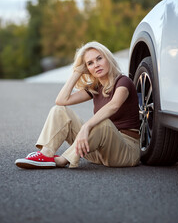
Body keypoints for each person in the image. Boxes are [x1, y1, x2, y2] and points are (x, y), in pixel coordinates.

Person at [15, 41, 140, 169]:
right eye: (90, 63)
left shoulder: (123, 81)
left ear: (108, 58)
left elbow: (114, 105)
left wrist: (86, 126)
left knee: (103, 123)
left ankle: (63, 160)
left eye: (99, 59)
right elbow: (61, 100)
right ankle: (46, 154)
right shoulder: (96, 87)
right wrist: (77, 72)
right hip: (99, 152)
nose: (96, 65)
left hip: (125, 152)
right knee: (59, 110)